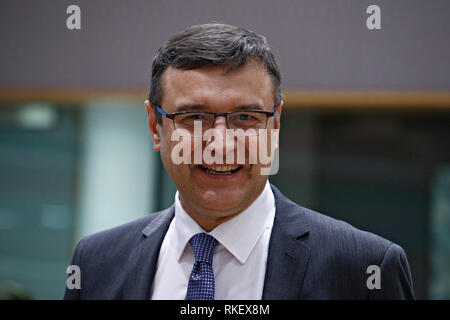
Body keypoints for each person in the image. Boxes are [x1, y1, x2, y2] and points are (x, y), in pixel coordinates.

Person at [64, 23, 415, 300]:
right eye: (194, 118)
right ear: (156, 127)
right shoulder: (96, 264)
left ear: (274, 124)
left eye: (246, 117)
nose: (220, 143)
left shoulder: (365, 268)